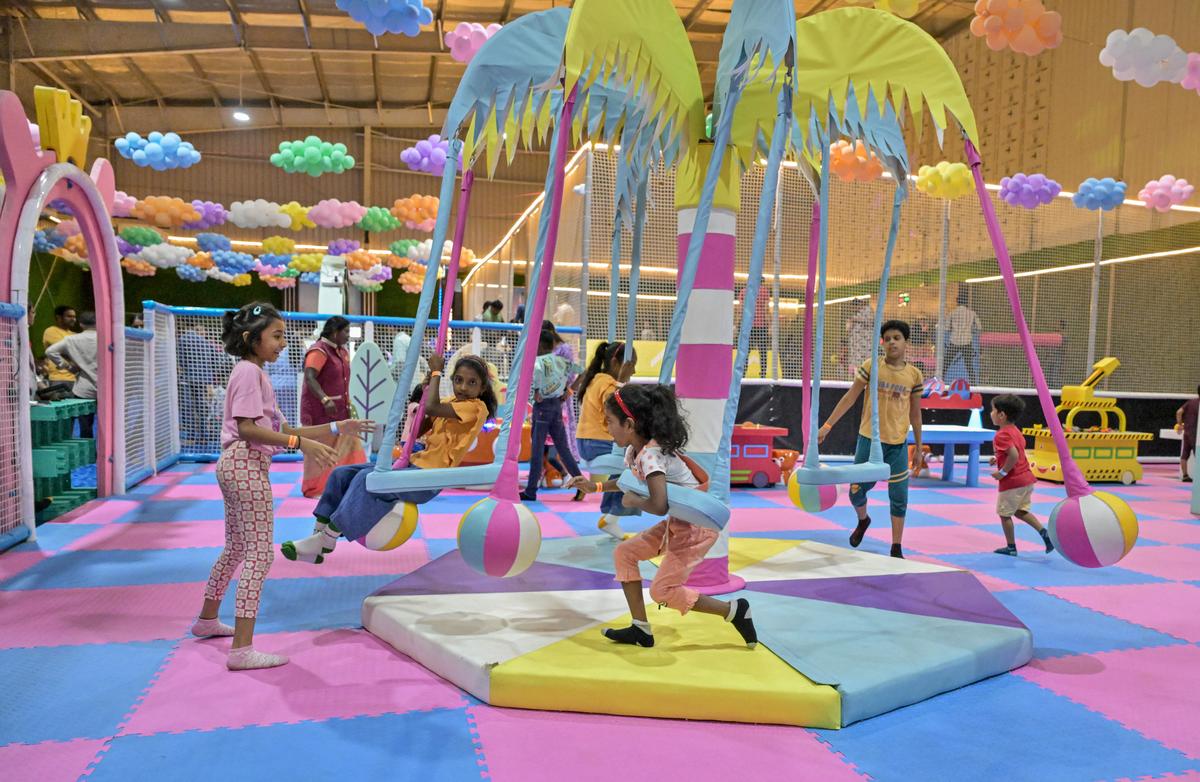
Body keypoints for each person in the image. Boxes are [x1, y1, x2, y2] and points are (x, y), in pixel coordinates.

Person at [194, 303, 371, 670]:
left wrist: (340, 428)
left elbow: (286, 431)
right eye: (276, 336)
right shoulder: (248, 373)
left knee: (238, 547)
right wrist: (300, 446)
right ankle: (242, 650)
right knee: (259, 555)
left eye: (284, 336)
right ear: (251, 338)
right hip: (245, 465)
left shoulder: (254, 373)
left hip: (238, 465)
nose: (282, 344)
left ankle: (207, 619)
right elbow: (248, 429)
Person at [569, 385, 757, 649]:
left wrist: (633, 502)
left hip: (696, 529)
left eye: (610, 421)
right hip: (679, 524)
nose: (607, 428)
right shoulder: (637, 451)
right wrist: (595, 487)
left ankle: (734, 611)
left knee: (662, 592)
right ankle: (641, 629)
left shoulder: (651, 456)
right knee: (624, 553)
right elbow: (629, 481)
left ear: (629, 424)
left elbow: (658, 504)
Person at [282, 353, 497, 562]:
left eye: (471, 383)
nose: (463, 387)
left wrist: (435, 373)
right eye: (458, 380)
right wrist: (421, 402)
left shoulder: (476, 408)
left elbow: (433, 406)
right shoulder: (451, 402)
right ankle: (316, 536)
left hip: (430, 477)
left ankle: (327, 539)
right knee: (342, 473)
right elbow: (421, 428)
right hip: (414, 464)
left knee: (368, 480)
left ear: (482, 387)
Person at [818, 320, 924, 558]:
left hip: (897, 445)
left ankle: (896, 547)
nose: (892, 342)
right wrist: (826, 426)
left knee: (899, 498)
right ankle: (863, 520)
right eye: (887, 339)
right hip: (869, 441)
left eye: (897, 337)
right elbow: (849, 398)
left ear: (906, 342)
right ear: (882, 343)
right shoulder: (872, 367)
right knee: (856, 491)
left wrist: (918, 446)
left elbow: (915, 413)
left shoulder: (914, 375)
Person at [575, 340, 638, 538]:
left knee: (625, 471)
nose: (634, 371)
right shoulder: (606, 383)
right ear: (615, 363)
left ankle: (610, 519)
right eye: (631, 366)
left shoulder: (595, 379)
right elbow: (616, 408)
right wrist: (622, 381)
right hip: (598, 443)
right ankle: (612, 518)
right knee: (637, 469)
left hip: (587, 443)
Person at [299, 317, 365, 497]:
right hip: (320, 413)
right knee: (320, 450)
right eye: (346, 332)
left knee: (350, 445)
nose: (348, 336)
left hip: (340, 411)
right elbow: (310, 377)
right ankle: (315, 488)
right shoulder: (319, 351)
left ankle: (349, 483)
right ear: (335, 332)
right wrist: (324, 399)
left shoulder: (341, 352)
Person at [519, 329, 584, 502]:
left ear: (539, 345)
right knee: (563, 448)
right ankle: (582, 485)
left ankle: (531, 491)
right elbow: (582, 371)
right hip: (557, 405)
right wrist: (567, 390)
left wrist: (537, 391)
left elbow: (536, 378)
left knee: (537, 450)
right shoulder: (561, 361)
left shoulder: (538, 361)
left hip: (542, 408)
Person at [988, 394, 1054, 556]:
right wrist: (997, 458)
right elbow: (1015, 451)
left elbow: (1014, 456)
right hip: (1026, 479)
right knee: (1020, 511)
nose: (991, 413)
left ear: (1001, 415)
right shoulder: (1015, 431)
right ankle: (1044, 533)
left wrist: (1002, 472)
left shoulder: (1001, 434)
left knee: (1004, 515)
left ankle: (1011, 547)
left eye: (993, 410)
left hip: (1013, 481)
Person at [44, 310, 98, 437]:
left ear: (81, 324)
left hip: (83, 390)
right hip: (107, 390)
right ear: (98, 323)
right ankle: (107, 454)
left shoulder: (71, 340)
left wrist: (67, 366)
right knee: (109, 426)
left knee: (86, 427)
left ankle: (89, 454)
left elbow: (50, 352)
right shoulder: (106, 338)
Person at [946, 287, 981, 385]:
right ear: (966, 302)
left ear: (957, 301)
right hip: (967, 342)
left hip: (954, 341)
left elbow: (947, 328)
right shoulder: (972, 313)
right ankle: (974, 385)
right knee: (969, 366)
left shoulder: (952, 313)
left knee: (945, 364)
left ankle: (941, 383)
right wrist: (970, 330)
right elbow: (979, 327)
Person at [42, 305, 77, 385]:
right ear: (59, 317)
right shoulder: (51, 331)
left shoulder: (74, 335)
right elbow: (66, 350)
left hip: (76, 378)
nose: (73, 319)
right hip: (59, 378)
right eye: (69, 316)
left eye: (74, 317)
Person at [1176, 385, 1199, 482]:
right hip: (1196, 433)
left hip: (1187, 431)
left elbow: (1179, 412)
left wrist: (1179, 424)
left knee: (1185, 454)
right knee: (1198, 454)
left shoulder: (1191, 402)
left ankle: (1185, 475)